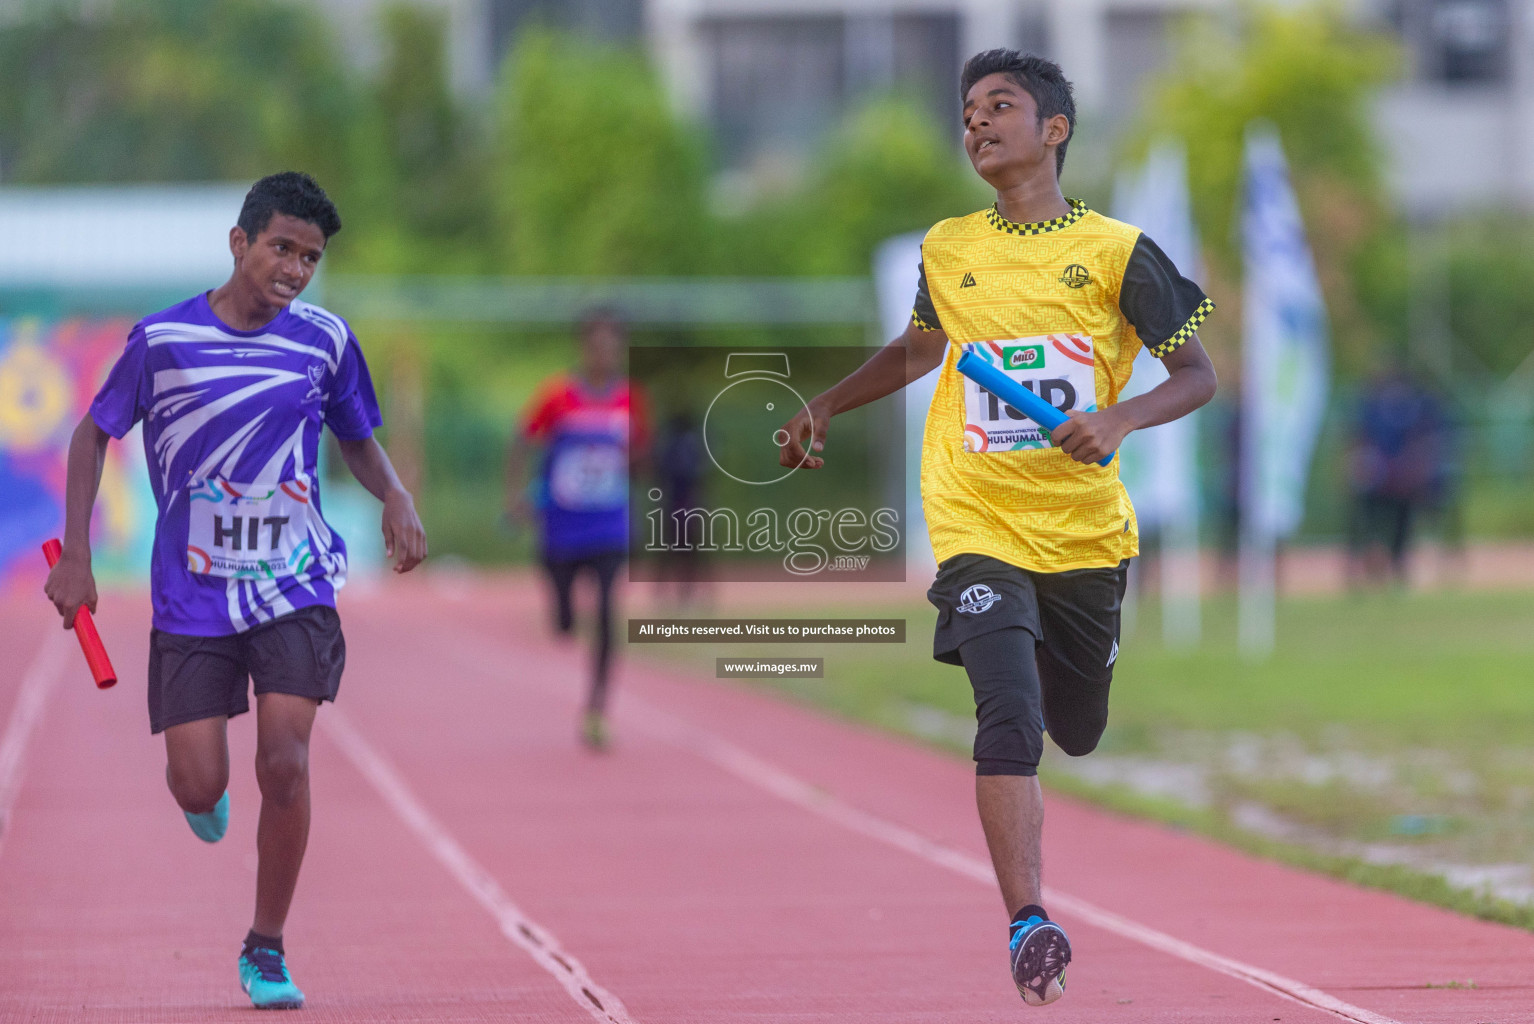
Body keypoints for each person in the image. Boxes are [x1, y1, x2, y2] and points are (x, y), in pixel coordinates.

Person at [779, 50, 1217, 1006]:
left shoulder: (1118, 252)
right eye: (967, 109)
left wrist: (1118, 417)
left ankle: (1082, 682)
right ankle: (1030, 923)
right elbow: (917, 351)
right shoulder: (948, 248)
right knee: (1007, 711)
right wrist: (825, 403)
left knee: (1078, 727)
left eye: (999, 106)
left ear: (1054, 128)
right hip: (975, 516)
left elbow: (1198, 377)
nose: (975, 122)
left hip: (1086, 534)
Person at [43, 172, 427, 1010]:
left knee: (285, 761)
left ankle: (266, 947)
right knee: (196, 782)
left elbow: (357, 437)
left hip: (291, 581)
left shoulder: (324, 342)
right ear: (239, 242)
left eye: (310, 257)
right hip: (193, 594)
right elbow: (90, 434)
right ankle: (201, 797)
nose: (294, 268)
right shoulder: (163, 341)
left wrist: (394, 495)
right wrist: (76, 555)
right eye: (281, 248)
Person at [506, 310, 646, 750]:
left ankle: (597, 709)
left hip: (609, 524)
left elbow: (641, 453)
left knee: (607, 613)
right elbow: (521, 441)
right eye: (596, 343)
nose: (604, 352)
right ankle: (564, 611)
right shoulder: (558, 396)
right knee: (565, 623)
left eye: (612, 344)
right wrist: (516, 495)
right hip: (562, 526)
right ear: (583, 347)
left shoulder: (630, 399)